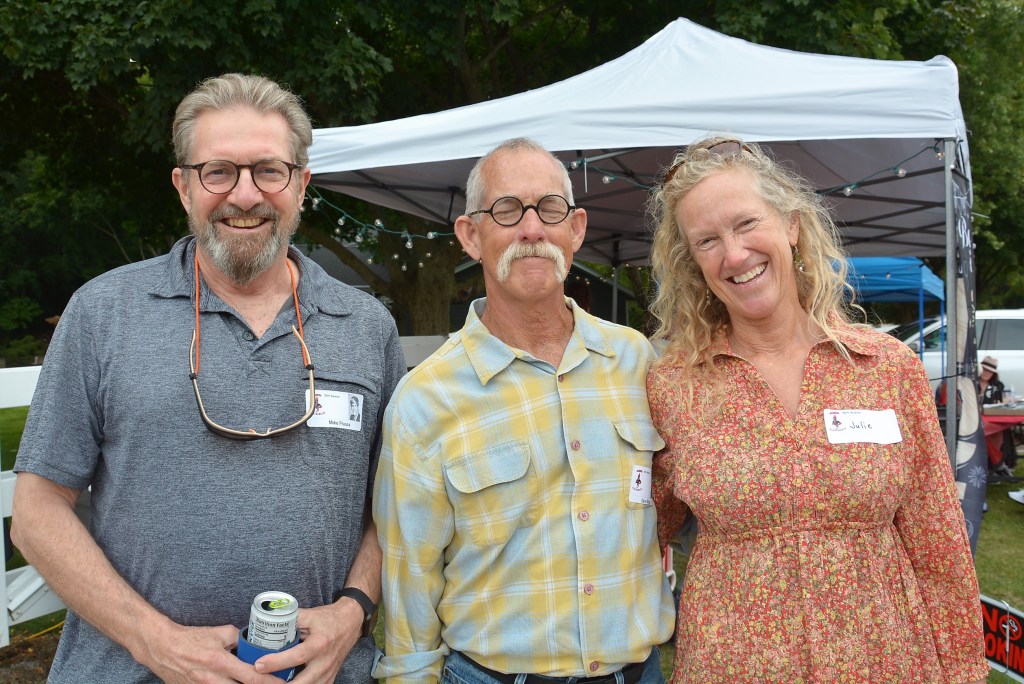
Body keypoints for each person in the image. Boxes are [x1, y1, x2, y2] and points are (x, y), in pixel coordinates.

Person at [11, 73, 405, 683]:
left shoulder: (365, 326)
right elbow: (37, 513)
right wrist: (156, 643)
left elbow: (396, 503)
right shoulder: (104, 313)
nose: (245, 196)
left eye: (269, 171)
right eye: (218, 171)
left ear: (302, 185)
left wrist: (353, 611)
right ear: (184, 187)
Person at [646, 136, 988, 683]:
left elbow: (939, 546)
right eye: (707, 240)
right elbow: (639, 530)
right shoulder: (674, 386)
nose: (734, 255)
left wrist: (964, 671)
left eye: (746, 224)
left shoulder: (887, 368)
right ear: (693, 263)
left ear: (792, 225)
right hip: (735, 669)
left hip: (887, 665)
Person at [372, 138, 675, 684]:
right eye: (507, 210)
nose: (532, 229)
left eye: (549, 209)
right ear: (471, 235)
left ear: (576, 229)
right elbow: (409, 584)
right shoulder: (425, 400)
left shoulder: (635, 361)